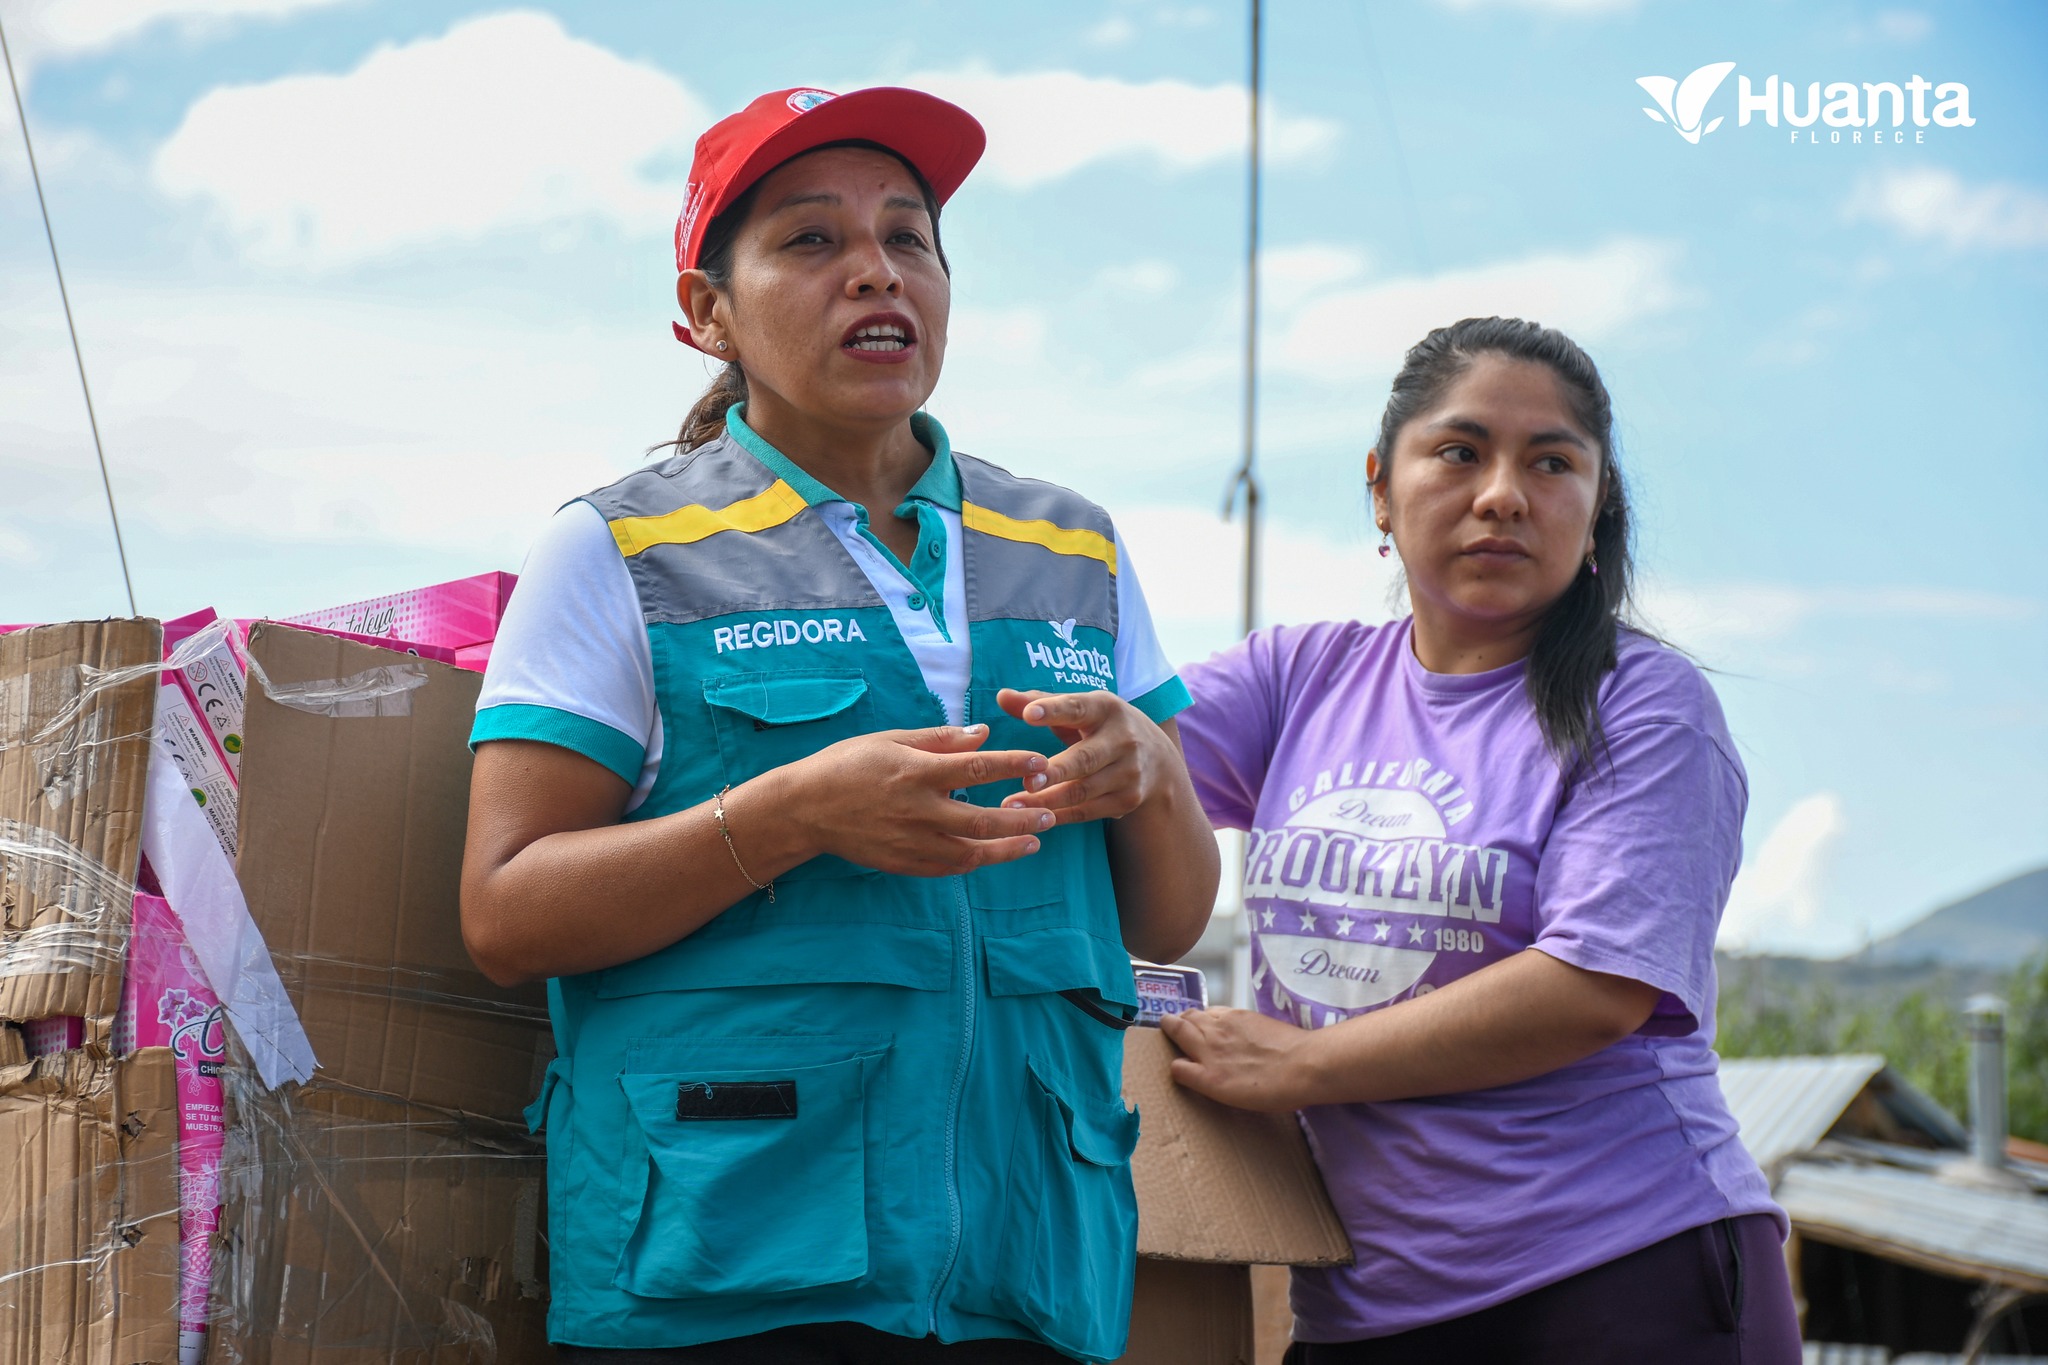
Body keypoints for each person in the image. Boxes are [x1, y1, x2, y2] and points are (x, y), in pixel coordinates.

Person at [457, 87, 1218, 1364]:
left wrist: (1154, 776)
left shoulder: (1071, 545)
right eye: (811, 241)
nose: (875, 271)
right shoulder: (613, 552)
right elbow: (506, 912)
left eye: (906, 237)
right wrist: (788, 815)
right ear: (708, 315)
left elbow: (1166, 919)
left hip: (1028, 1269)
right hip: (729, 1275)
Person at [1161, 317, 1802, 1364]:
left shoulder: (1643, 706)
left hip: (1620, 1277)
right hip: (1364, 1304)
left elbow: (1589, 986)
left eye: (1551, 463)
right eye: (1459, 452)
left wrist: (1302, 1064)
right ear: (1379, 486)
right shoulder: (1297, 679)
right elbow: (1107, 783)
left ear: (1595, 512)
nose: (1502, 492)